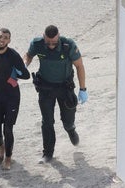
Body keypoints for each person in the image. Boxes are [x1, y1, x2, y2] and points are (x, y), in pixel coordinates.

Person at [23, 25, 88, 163]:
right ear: (43, 37)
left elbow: (79, 66)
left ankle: (70, 129)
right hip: (45, 88)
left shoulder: (68, 45)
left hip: (65, 88)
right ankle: (48, 153)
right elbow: (28, 55)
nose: (51, 45)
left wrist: (83, 89)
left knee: (67, 120)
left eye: (54, 42)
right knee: (47, 122)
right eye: (48, 42)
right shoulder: (37, 44)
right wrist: (24, 65)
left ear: (58, 36)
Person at [0, 28, 30, 170]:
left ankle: (8, 158)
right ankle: (2, 147)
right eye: (0, 37)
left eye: (6, 38)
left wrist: (13, 76)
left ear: (9, 41)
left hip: (12, 96)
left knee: (8, 128)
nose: (2, 39)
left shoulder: (13, 56)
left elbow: (26, 75)